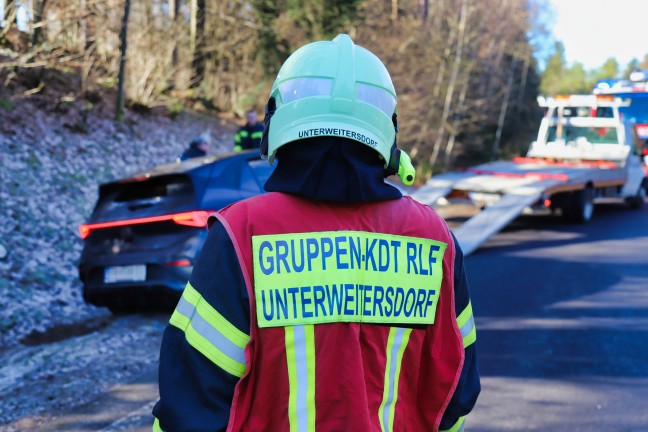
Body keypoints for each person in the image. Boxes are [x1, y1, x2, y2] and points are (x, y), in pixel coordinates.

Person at [153, 34, 480, 432]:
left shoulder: (243, 235)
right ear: (387, 131)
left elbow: (192, 401)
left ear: (276, 122)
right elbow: (455, 390)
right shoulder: (435, 239)